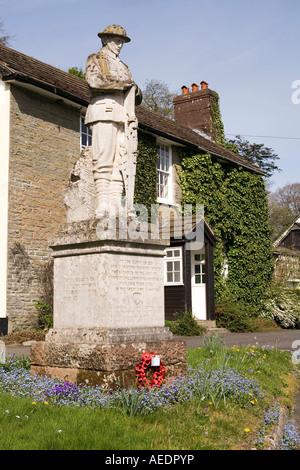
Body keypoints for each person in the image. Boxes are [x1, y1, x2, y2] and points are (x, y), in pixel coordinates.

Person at [85, 25, 142, 217]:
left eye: (122, 42)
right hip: (103, 110)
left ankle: (116, 203)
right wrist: (124, 85)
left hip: (123, 115)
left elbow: (134, 91)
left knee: (121, 160)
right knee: (104, 157)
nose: (119, 45)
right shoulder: (95, 59)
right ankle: (102, 203)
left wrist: (135, 89)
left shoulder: (124, 67)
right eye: (116, 40)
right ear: (105, 40)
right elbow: (94, 82)